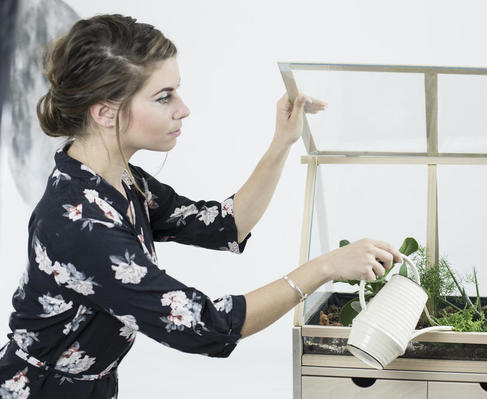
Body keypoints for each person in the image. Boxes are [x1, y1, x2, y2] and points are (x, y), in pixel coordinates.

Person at [0, 14, 402, 398]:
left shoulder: (120, 179)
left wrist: (283, 141)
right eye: (164, 97)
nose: (183, 108)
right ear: (105, 111)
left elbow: (225, 224)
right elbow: (202, 326)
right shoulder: (80, 223)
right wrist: (325, 267)